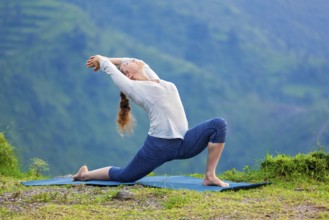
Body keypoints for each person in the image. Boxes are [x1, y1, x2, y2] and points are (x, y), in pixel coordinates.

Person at [73, 55, 229, 187]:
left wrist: (108, 58)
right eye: (128, 64)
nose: (132, 60)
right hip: (159, 146)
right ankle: (84, 175)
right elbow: (112, 71)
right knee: (125, 176)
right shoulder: (134, 88)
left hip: (184, 142)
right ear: (128, 75)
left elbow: (132, 61)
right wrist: (101, 59)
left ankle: (209, 176)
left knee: (218, 125)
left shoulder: (156, 80)